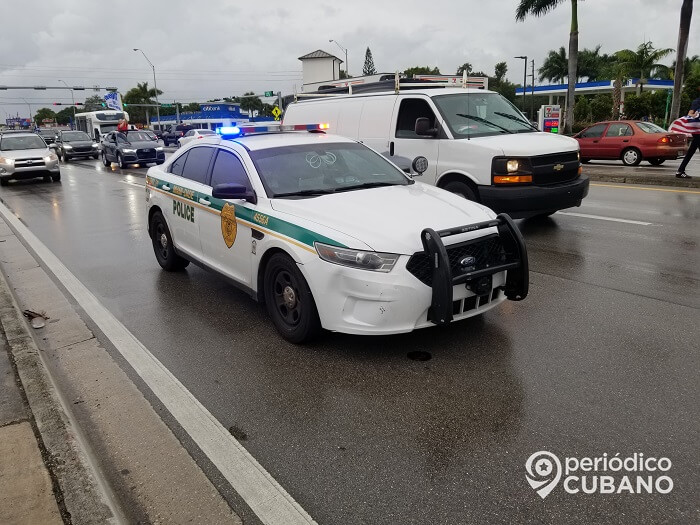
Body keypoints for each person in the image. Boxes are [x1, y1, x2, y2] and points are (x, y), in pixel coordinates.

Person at [675, 87, 700, 179]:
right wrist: (696, 115)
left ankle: (680, 171)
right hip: (697, 130)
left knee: (691, 151)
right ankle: (680, 171)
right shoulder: (697, 101)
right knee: (691, 150)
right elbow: (690, 114)